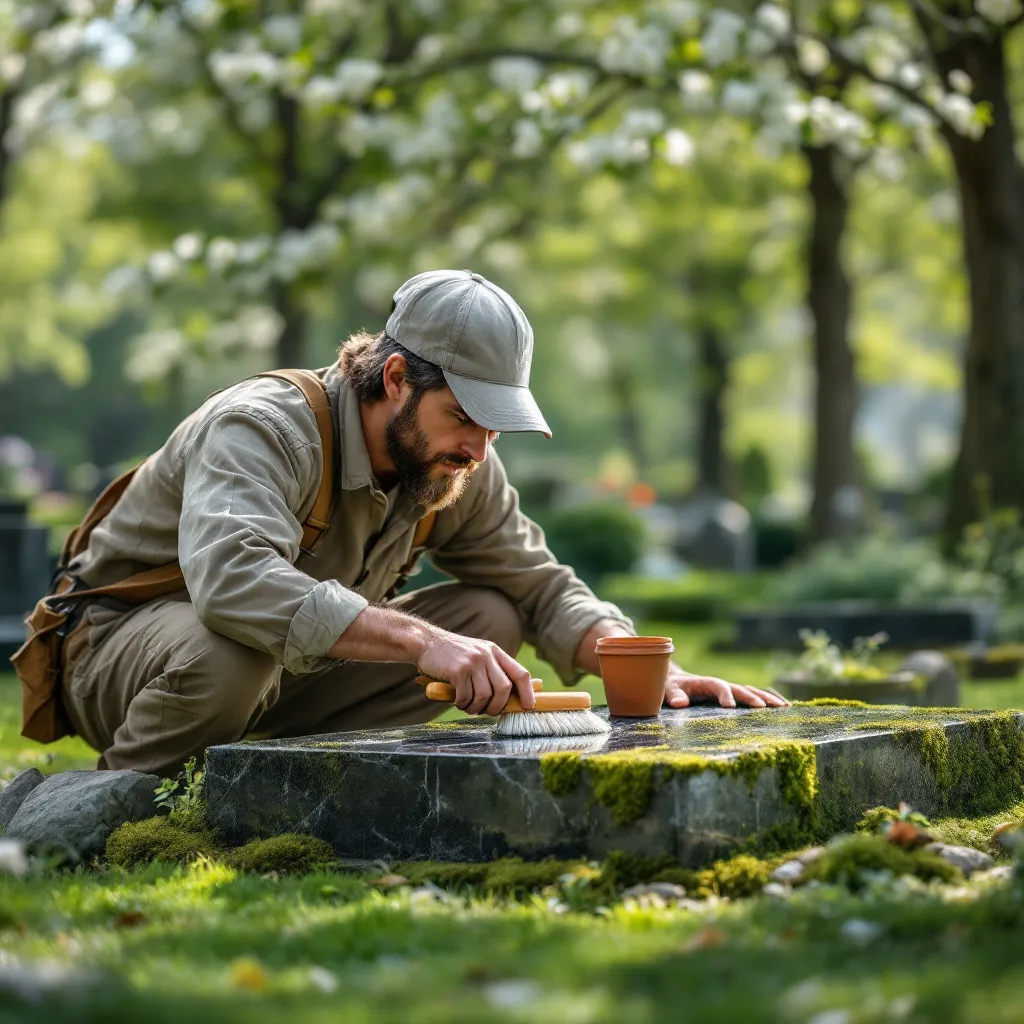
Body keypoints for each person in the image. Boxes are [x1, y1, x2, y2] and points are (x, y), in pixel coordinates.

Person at [57, 269, 786, 777]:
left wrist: (646, 669)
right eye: (466, 417)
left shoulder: (455, 462)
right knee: (235, 653)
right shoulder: (263, 426)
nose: (478, 447)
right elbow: (234, 584)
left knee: (489, 616)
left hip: (272, 677)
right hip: (126, 656)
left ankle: (268, 773)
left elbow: (535, 584)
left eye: (496, 428)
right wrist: (421, 640)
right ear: (398, 378)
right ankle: (120, 799)